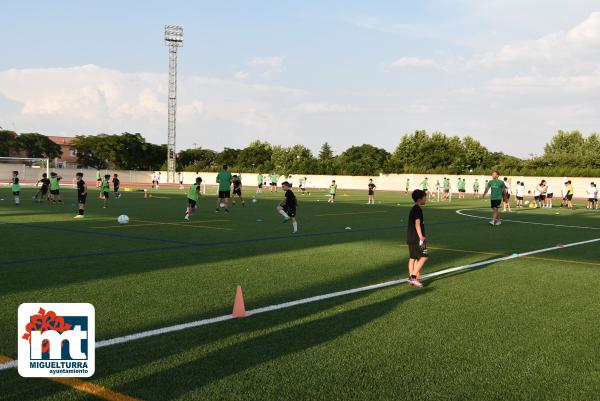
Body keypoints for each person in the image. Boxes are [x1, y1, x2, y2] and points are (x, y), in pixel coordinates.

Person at [406, 189, 428, 288]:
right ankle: (413, 277)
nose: (426, 199)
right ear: (420, 199)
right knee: (424, 257)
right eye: (424, 197)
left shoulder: (413, 208)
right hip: (416, 238)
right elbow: (417, 224)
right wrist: (421, 237)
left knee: (413, 258)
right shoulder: (418, 209)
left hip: (410, 237)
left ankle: (411, 277)